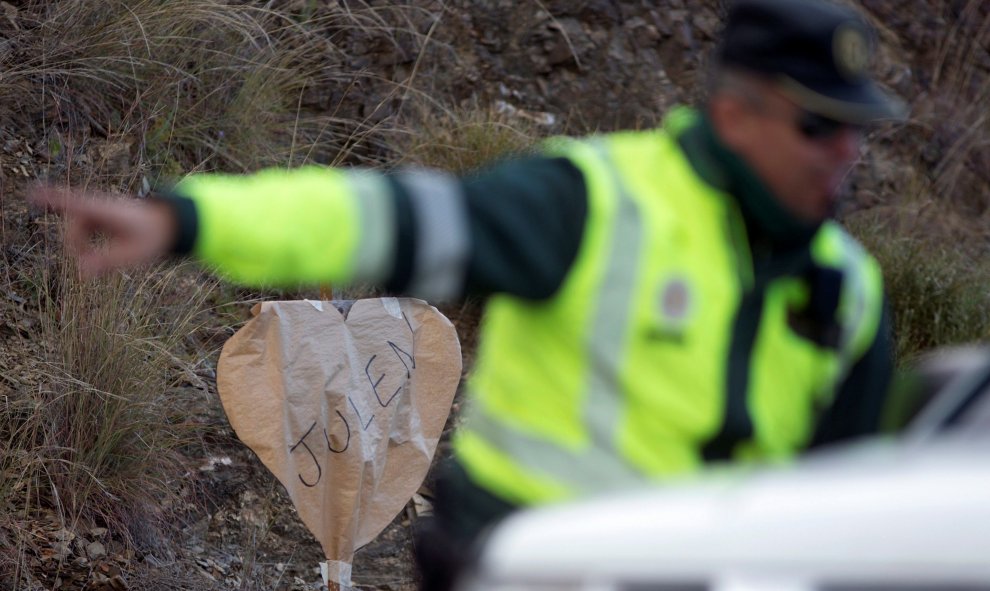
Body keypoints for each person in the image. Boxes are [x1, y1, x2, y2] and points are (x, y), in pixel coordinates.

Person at [31, 0, 905, 588]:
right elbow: (383, 217)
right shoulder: (595, 203)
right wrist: (188, 220)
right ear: (734, 113)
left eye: (857, 129)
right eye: (818, 124)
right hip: (523, 563)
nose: (845, 153)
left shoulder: (852, 293)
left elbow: (844, 511)